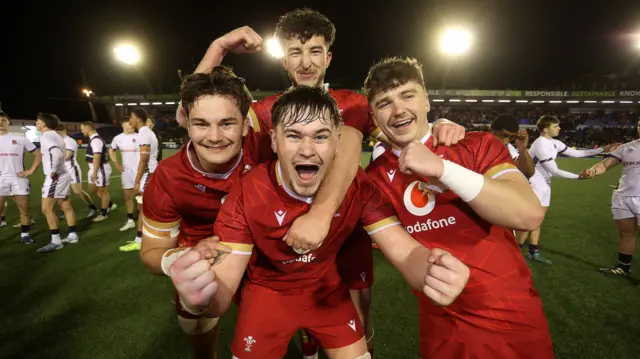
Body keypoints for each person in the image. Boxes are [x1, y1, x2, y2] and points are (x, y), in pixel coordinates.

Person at [185, 13, 464, 355]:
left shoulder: (356, 105)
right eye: (296, 52)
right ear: (283, 58)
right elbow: (195, 109)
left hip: (348, 229)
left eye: (315, 51)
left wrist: (438, 125)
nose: (305, 62)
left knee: (360, 316)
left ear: (328, 57)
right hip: (282, 226)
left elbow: (402, 129)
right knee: (294, 312)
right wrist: (219, 47)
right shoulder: (268, 109)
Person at [362, 57, 553, 359]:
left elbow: (527, 214)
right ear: (373, 115)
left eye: (408, 95)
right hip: (444, 329)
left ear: (426, 100)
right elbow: (406, 253)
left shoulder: (476, 145)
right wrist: (432, 273)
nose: (398, 109)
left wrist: (442, 168)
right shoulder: (372, 182)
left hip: (514, 318)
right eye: (384, 103)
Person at [517, 115, 619, 264]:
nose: (559, 128)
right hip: (533, 183)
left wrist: (604, 149)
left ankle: (533, 251)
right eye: (555, 126)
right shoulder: (540, 144)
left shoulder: (554, 143)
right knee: (530, 220)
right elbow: (555, 170)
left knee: (538, 220)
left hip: (544, 185)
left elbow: (578, 153)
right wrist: (578, 177)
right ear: (545, 129)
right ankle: (516, 251)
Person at [584, 120, 640, 277]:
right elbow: (604, 165)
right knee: (625, 234)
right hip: (623, 196)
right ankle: (623, 268)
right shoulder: (627, 147)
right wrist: (593, 171)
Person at [35, 113, 79, 253]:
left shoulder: (46, 136)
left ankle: (56, 241)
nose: (36, 123)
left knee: (46, 208)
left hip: (56, 177)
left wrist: (53, 171)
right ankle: (72, 234)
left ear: (44, 124)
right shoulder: (56, 135)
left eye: (38, 121)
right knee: (65, 205)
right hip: (63, 174)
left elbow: (57, 154)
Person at [120, 108, 158, 252]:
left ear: (138, 119)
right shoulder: (147, 133)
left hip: (148, 173)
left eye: (131, 117)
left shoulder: (143, 134)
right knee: (144, 208)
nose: (130, 120)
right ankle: (141, 239)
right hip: (151, 173)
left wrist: (137, 181)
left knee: (145, 208)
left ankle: (142, 240)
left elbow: (144, 159)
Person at [0, 111, 40, 243]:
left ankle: (25, 235)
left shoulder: (20, 138)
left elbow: (37, 153)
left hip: (18, 178)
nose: (1, 121)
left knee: (24, 208)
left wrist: (31, 169)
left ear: (8, 123)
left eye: (3, 119)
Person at [56, 123, 98, 218]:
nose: (56, 133)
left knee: (78, 191)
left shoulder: (69, 141)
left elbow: (67, 156)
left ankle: (92, 207)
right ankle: (65, 210)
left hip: (71, 169)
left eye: (58, 131)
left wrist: (54, 158)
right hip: (60, 171)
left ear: (63, 130)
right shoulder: (56, 142)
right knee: (61, 192)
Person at [109, 119, 139, 232]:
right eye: (129, 123)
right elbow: (111, 150)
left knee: (141, 197)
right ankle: (130, 220)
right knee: (128, 196)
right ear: (123, 124)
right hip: (126, 172)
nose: (132, 125)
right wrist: (116, 164)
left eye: (133, 123)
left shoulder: (139, 136)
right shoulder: (118, 138)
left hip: (139, 171)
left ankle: (145, 219)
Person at [80, 122, 114, 222]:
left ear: (87, 129)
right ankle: (110, 204)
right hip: (95, 168)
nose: (81, 131)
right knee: (92, 189)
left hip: (100, 169)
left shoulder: (96, 140)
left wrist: (94, 172)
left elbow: (97, 157)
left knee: (103, 191)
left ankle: (104, 213)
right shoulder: (93, 140)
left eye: (82, 129)